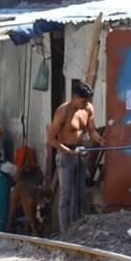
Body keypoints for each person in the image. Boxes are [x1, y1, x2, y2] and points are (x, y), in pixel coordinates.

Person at [48, 80, 105, 232]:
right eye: (83, 100)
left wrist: (98, 138)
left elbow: (91, 129)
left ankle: (77, 228)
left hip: (80, 153)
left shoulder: (88, 108)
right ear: (74, 97)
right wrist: (68, 151)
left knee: (79, 193)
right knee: (66, 194)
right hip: (65, 154)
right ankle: (65, 232)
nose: (86, 103)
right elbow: (51, 139)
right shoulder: (63, 112)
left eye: (88, 101)